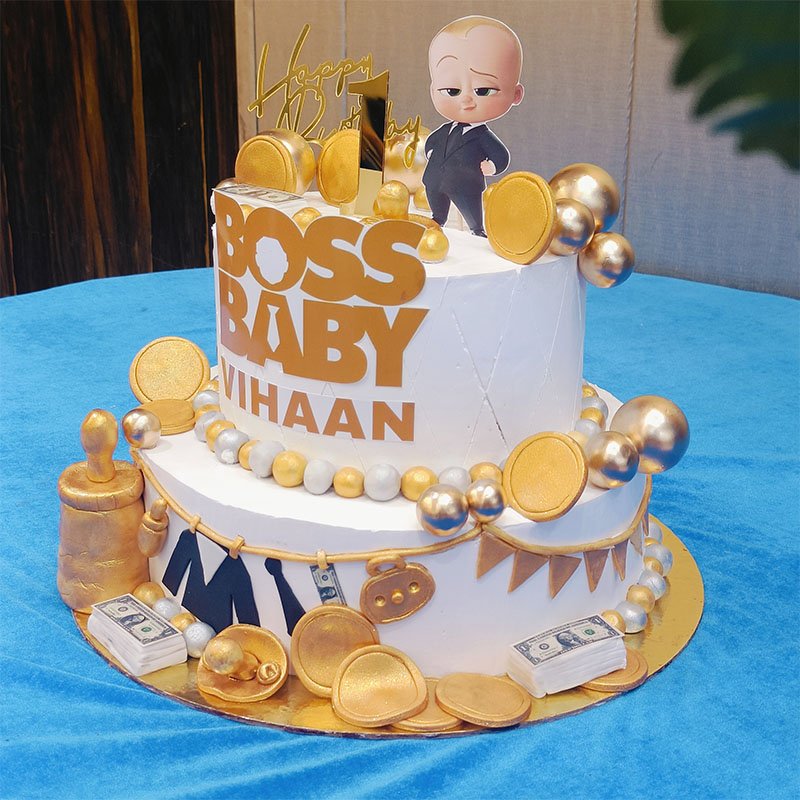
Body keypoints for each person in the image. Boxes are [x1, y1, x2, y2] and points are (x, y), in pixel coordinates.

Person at [422, 16, 524, 236]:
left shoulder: (482, 137)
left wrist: (492, 166)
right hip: (435, 179)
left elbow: (500, 155)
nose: (466, 100)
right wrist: (429, 150)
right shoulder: (445, 130)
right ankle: (438, 218)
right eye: (452, 91)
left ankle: (477, 229)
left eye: (482, 90)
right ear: (433, 91)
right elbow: (433, 141)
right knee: (437, 208)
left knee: (470, 209)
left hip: (465, 185)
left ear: (515, 94)